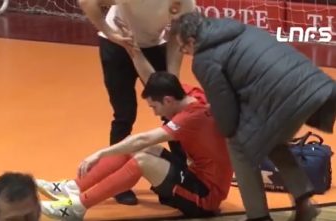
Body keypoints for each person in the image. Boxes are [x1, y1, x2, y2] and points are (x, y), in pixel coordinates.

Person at [171, 12, 336, 221]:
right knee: (269, 139)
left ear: (192, 41)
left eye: (182, 47)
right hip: (315, 86)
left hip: (282, 99)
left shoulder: (204, 59)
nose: (183, 52)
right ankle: (304, 200)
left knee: (239, 146)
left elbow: (225, 106)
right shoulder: (240, 28)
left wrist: (226, 131)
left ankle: (258, 216)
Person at [38, 69, 233, 220]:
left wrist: (99, 154)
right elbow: (151, 75)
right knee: (137, 149)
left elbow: (144, 139)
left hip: (205, 196)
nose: (156, 114)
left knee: (142, 159)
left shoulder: (191, 118)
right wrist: (134, 50)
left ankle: (77, 207)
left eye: (154, 107)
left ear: (168, 100)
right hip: (194, 175)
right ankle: (74, 187)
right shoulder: (190, 94)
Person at [77, 0, 196, 205]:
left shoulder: (186, 2)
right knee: (124, 114)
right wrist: (110, 33)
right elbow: (87, 2)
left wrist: (172, 74)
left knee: (173, 111)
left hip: (153, 45)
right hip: (116, 44)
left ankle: (179, 176)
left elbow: (178, 31)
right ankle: (118, 184)